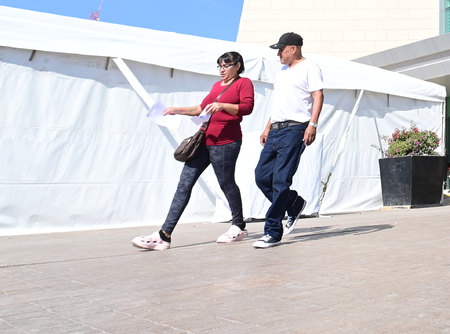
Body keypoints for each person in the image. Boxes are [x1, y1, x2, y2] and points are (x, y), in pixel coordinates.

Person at [132, 51, 254, 251]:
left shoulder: (244, 83)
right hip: (204, 141)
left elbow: (247, 107)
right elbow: (200, 108)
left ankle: (239, 225)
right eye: (220, 66)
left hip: (226, 143)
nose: (222, 70)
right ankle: (164, 235)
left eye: (226, 65)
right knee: (184, 184)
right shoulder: (217, 86)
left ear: (238, 66)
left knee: (226, 183)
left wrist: (222, 105)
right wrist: (175, 109)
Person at [252, 32, 323, 249]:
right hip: (275, 129)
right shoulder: (282, 72)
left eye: (281, 50)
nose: (279, 54)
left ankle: (272, 232)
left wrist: (313, 124)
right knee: (262, 176)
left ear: (293, 48)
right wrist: (267, 127)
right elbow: (280, 103)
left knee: (281, 180)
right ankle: (293, 202)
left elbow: (318, 95)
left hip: (295, 129)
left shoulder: (309, 66)